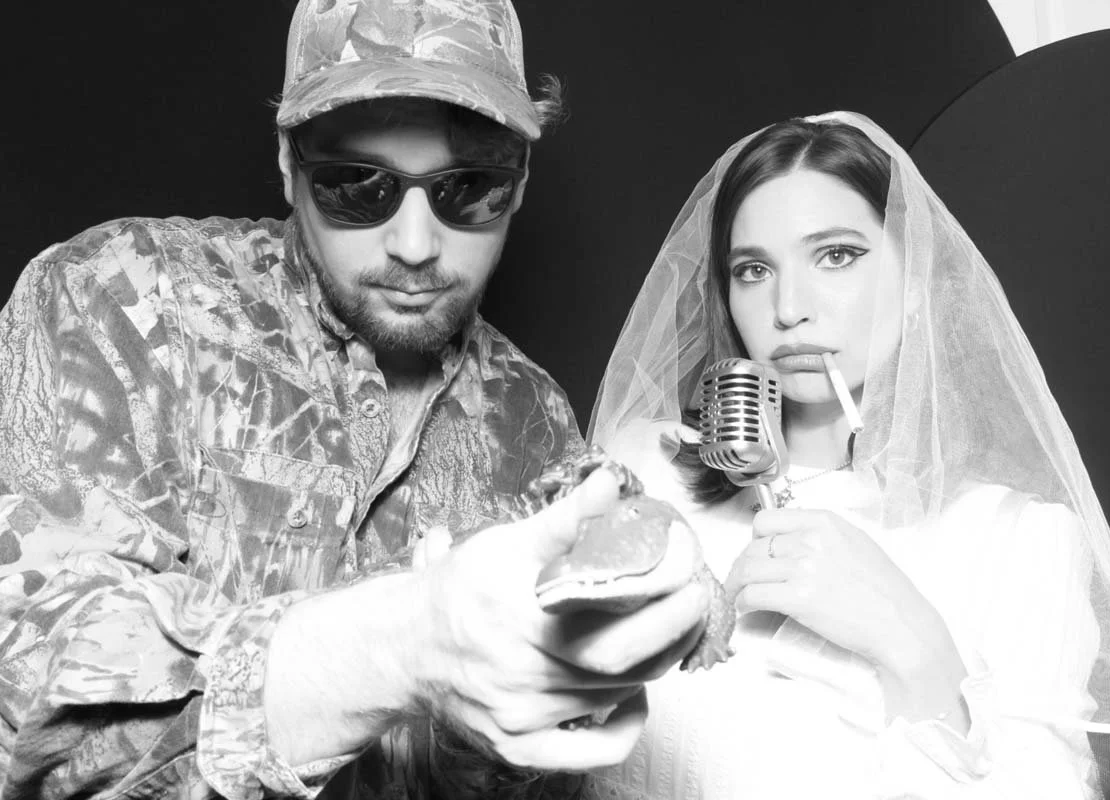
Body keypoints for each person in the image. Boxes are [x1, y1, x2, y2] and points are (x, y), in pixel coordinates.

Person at [0, 1, 709, 798]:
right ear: (287, 165)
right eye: (356, 186)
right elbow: (28, 684)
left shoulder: (535, 418)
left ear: (520, 185)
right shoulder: (124, 298)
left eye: (469, 189)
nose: (414, 246)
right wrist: (401, 649)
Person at [585, 111, 1110, 798]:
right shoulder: (640, 475)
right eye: (752, 270)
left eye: (836, 255)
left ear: (918, 277)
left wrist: (909, 637)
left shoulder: (1023, 543)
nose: (790, 308)